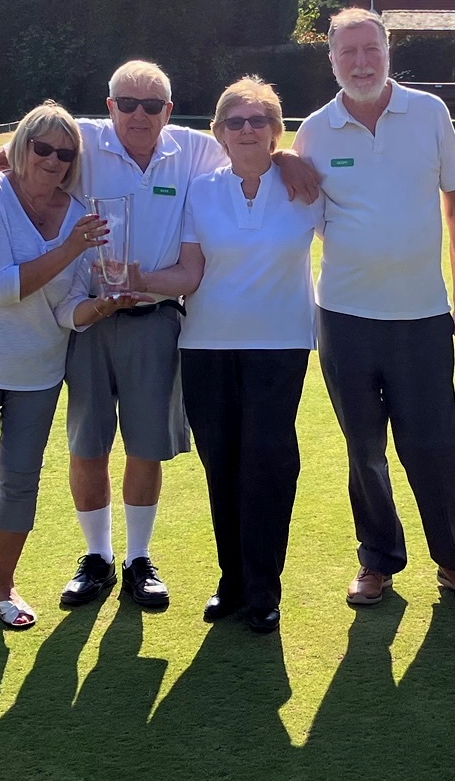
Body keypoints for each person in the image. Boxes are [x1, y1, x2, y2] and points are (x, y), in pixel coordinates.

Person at [0, 61, 319, 614]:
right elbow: (5, 151)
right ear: (110, 104)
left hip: (158, 319)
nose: (139, 115)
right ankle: (98, 557)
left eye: (153, 105)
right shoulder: (82, 141)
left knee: (146, 446)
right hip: (87, 316)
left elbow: (250, 140)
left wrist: (281, 154)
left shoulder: (193, 146)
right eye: (127, 104)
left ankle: (140, 559)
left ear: (169, 109)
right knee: (88, 444)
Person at [0, 103, 143, 635]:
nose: (53, 160)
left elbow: (67, 310)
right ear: (20, 148)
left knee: (19, 483)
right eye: (42, 148)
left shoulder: (82, 213)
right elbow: (2, 286)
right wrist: (70, 247)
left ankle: (3, 589)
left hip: (38, 369)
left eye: (65, 153)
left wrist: (105, 306)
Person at [293, 8, 455, 611]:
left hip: (422, 316)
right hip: (345, 318)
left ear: (388, 52)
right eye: (347, 52)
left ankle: (453, 560)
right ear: (331, 60)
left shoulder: (429, 112)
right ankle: (377, 560)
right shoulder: (315, 131)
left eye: (370, 50)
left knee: (435, 444)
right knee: (365, 448)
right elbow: (294, 205)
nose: (360, 62)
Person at [137, 78, 320, 635]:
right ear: (217, 132)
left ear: (275, 130)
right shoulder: (201, 189)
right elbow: (191, 272)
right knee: (222, 466)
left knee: (268, 463)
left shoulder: (307, 185)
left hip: (280, 344)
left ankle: (264, 588)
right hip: (206, 346)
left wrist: (286, 161)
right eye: (235, 122)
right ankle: (232, 581)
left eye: (258, 121)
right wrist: (133, 281)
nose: (246, 130)